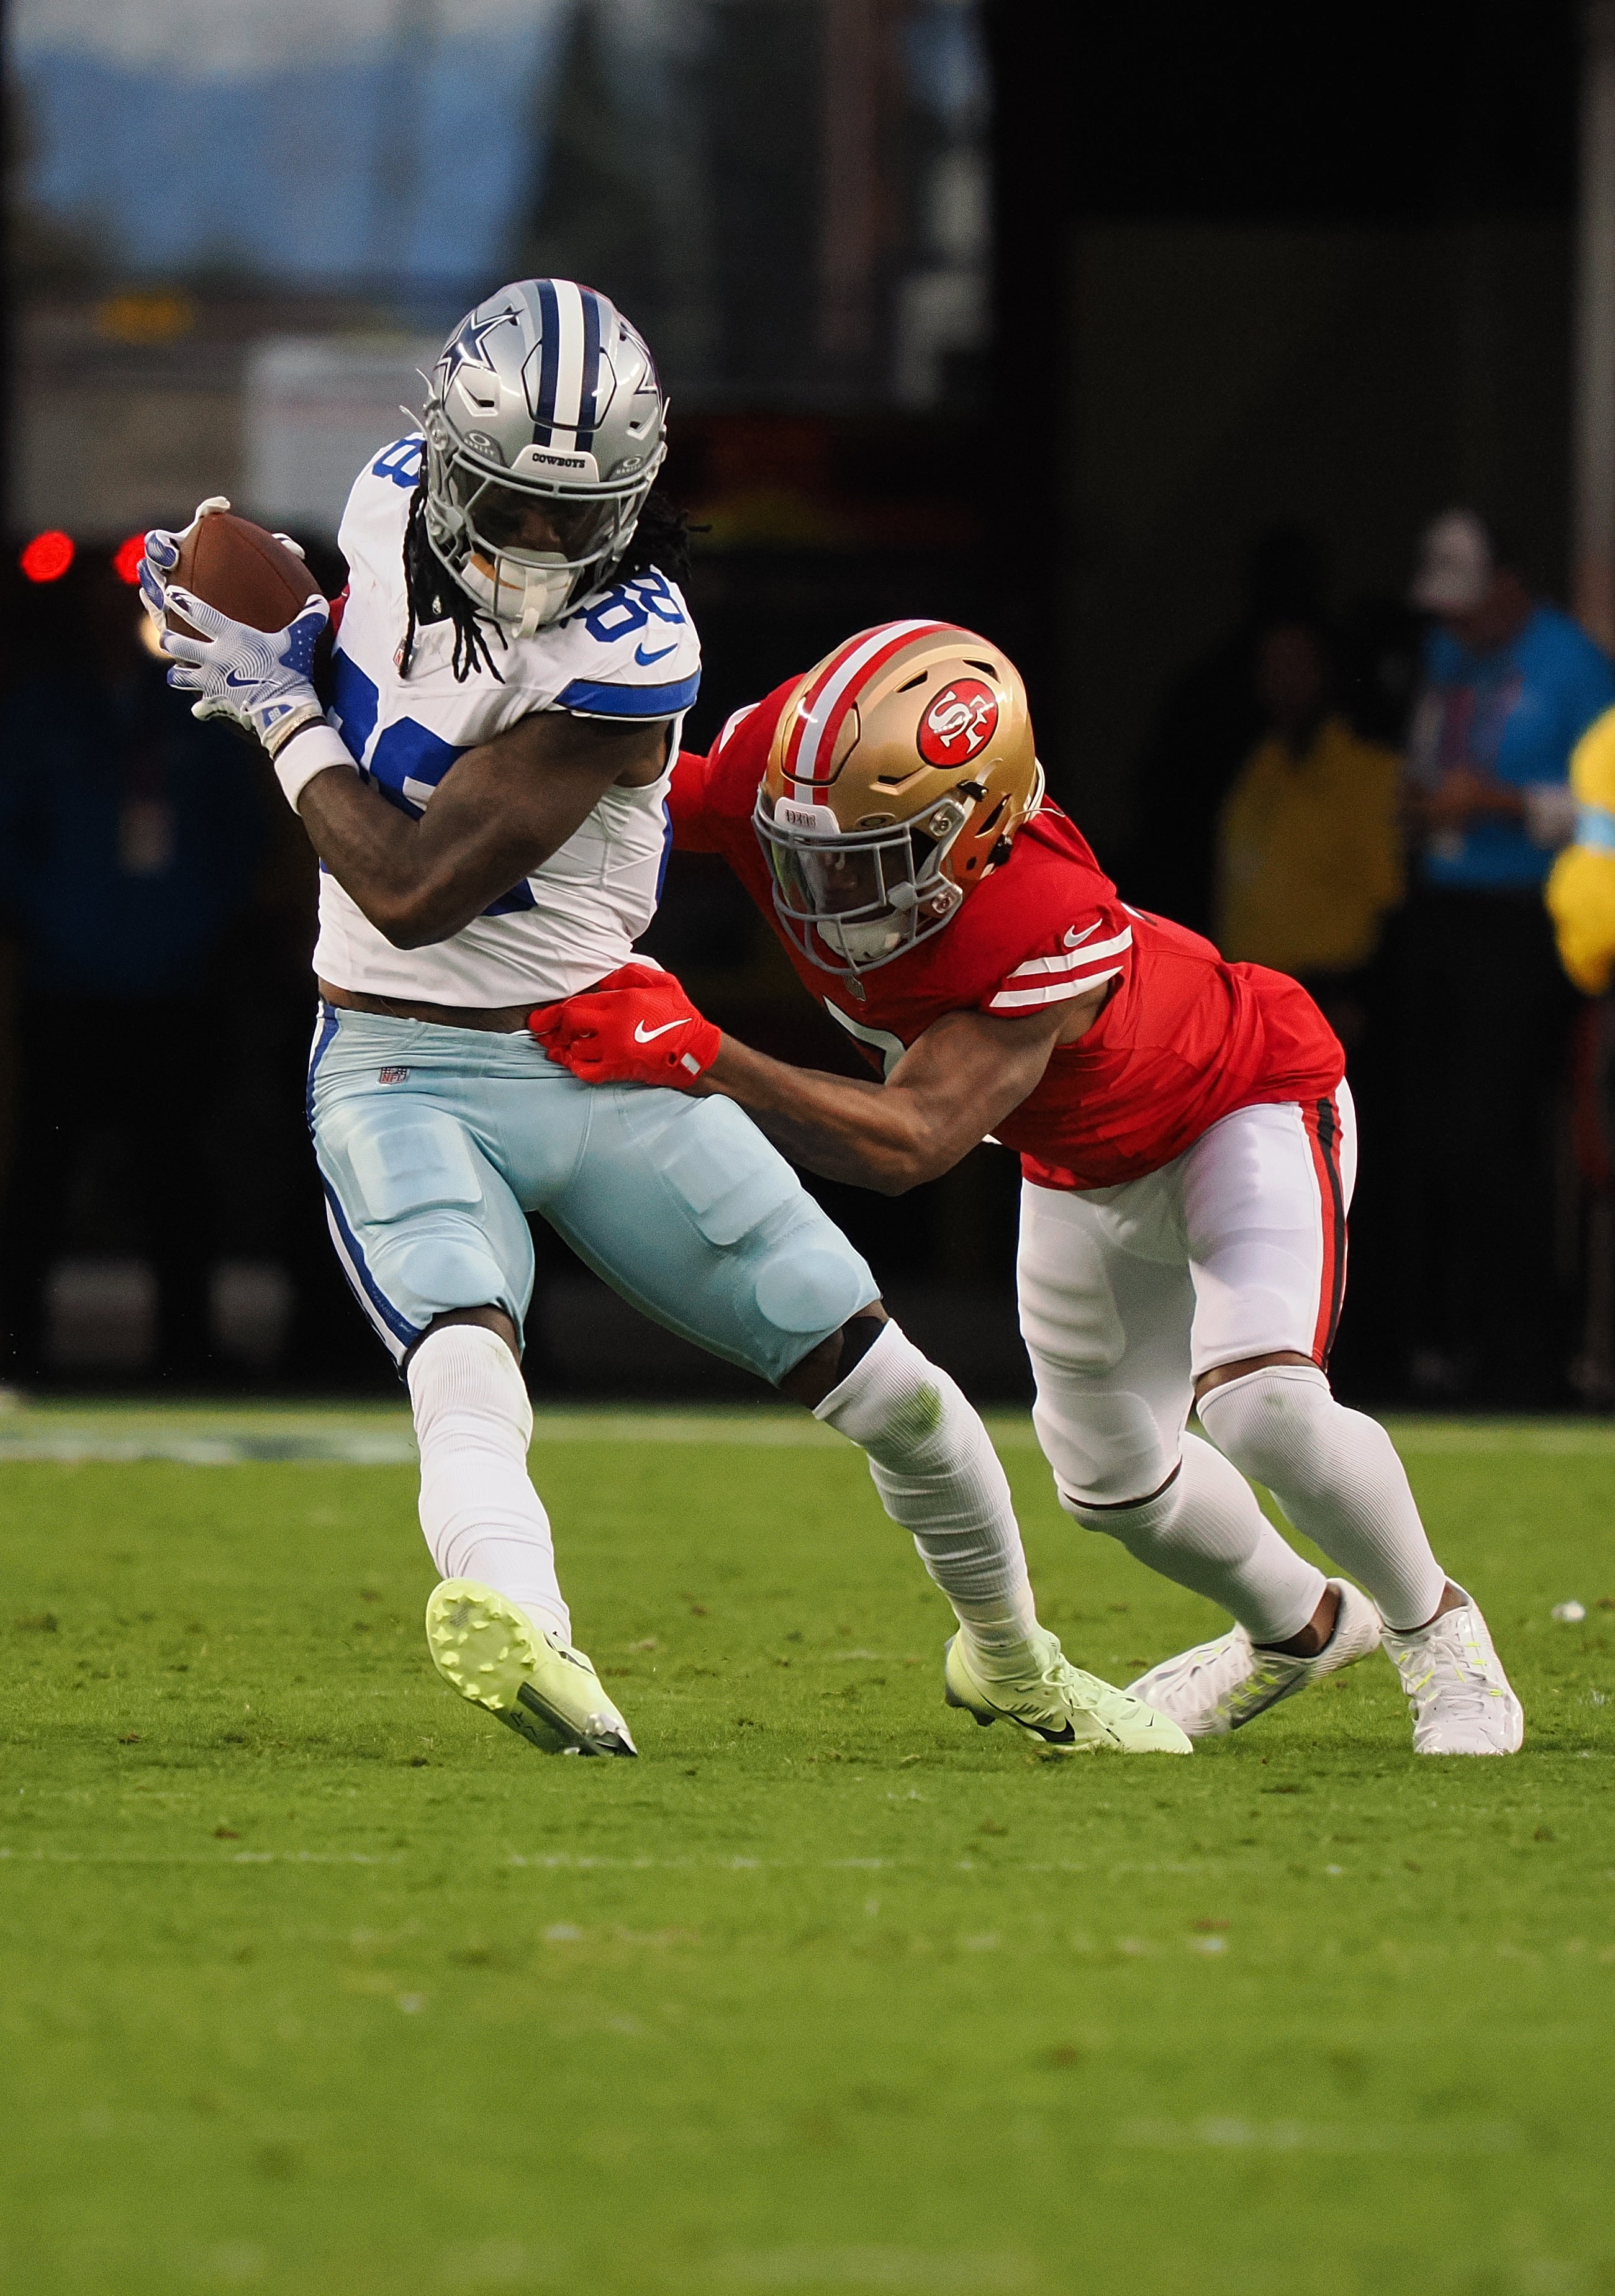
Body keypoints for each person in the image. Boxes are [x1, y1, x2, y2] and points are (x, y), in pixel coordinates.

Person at [140, 280, 1184, 1763]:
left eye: (583, 515)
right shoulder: (380, 507)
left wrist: (275, 709)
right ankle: (526, 1628)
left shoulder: (629, 654)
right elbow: (313, 653)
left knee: (897, 1393)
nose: (544, 547)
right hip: (396, 1059)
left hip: (597, 1051)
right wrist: (251, 624)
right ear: (439, 455)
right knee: (461, 1350)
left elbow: (413, 885)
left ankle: (1015, 1663)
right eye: (515, 503)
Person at [533, 620, 1524, 1755]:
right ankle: (1299, 1628)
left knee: (1263, 1404)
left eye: (869, 853)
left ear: (978, 830)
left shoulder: (1042, 916)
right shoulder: (791, 785)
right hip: (1078, 1162)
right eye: (801, 845)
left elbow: (911, 1141)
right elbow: (641, 792)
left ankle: (1436, 1626)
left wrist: (706, 1053)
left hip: (1236, 1104)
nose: (819, 881)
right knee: (1110, 1484)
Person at [0, 553, 266, 1381]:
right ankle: (21, 1341)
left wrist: (200, 924)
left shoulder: (189, 717)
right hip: (68, 976)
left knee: (176, 1169)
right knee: (45, 1167)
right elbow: (9, 834)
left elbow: (240, 838)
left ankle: (186, 1342)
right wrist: (49, 919)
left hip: (173, 979)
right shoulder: (43, 715)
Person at [1401, 510, 1615, 1401]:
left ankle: (1534, 1347)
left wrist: (1494, 802)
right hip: (1444, 910)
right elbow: (1420, 762)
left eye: (1468, 608)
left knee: (1498, 1136)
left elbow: (1598, 809)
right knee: (1428, 1135)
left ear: (1510, 588)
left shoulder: (1574, 667)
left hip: (1530, 917)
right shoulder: (1448, 657)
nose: (1454, 629)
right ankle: (1451, 1337)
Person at [1215, 620, 1404, 1047]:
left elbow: (1394, 903)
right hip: (1247, 996)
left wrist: (1363, 999)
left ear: (1327, 672)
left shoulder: (1368, 774)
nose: (1281, 682)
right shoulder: (1256, 768)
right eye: (1270, 666)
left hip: (1331, 1001)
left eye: (1296, 665)